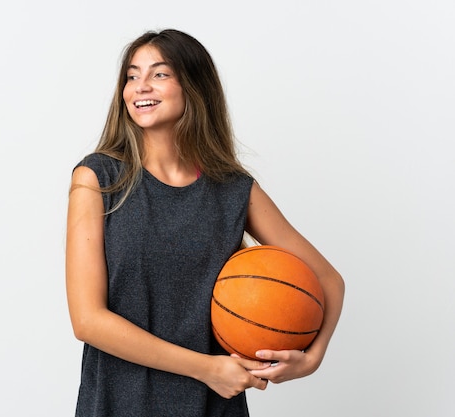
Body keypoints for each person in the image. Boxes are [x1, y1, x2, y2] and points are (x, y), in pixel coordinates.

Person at [65, 28, 345, 417]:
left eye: (159, 74)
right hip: (120, 402)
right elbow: (87, 321)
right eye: (132, 75)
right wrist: (208, 369)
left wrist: (311, 359)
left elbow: (328, 280)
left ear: (194, 86)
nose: (140, 86)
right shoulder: (98, 178)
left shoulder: (234, 190)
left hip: (214, 407)